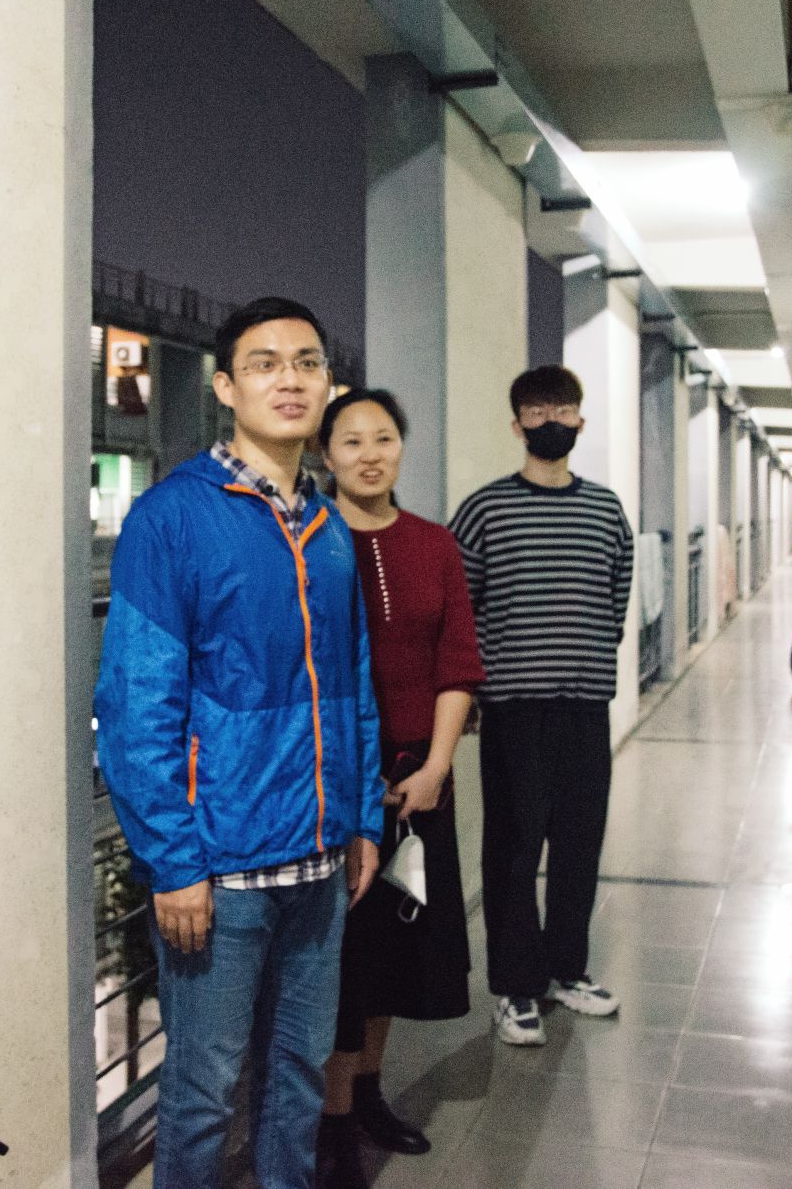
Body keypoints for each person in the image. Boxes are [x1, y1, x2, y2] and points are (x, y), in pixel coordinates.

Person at [95, 297, 385, 1189]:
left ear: (328, 384)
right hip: (220, 873)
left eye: (308, 362)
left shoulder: (329, 529)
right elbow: (137, 705)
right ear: (225, 387)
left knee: (299, 1076)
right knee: (203, 1091)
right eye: (265, 364)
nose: (289, 380)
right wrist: (174, 862)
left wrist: (361, 819)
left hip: (319, 862)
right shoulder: (172, 518)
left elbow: (355, 686)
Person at [313, 389, 484, 1189]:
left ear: (401, 449)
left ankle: (369, 1096)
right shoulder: (308, 541)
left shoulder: (435, 544)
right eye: (351, 441)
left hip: (419, 774)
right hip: (332, 779)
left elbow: (458, 662)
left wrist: (437, 767)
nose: (370, 454)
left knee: (395, 949)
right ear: (326, 456)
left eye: (383, 438)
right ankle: (332, 1121)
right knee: (338, 958)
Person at [448, 365, 634, 1047]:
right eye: (536, 411)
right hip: (513, 709)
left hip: (585, 705)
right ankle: (514, 987)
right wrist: (475, 689)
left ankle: (566, 971)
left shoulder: (606, 509)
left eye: (562, 409)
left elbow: (616, 597)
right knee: (513, 851)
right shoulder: (484, 510)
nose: (551, 420)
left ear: (580, 420)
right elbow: (461, 608)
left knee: (579, 846)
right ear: (517, 424)